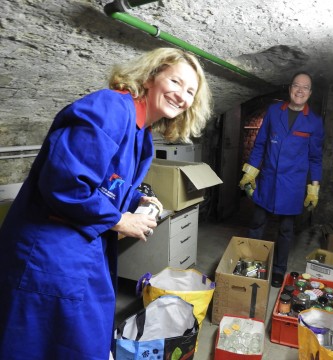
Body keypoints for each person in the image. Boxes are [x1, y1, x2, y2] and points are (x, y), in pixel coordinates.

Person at [0, 48, 212, 359]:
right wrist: (120, 221)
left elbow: (108, 183)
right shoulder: (110, 107)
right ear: (152, 76)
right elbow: (65, 181)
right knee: (43, 345)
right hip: (49, 254)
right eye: (176, 82)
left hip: (80, 248)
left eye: (190, 91)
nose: (182, 96)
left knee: (81, 341)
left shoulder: (141, 134)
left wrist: (137, 198)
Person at [239, 71, 324, 288]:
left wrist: (313, 188)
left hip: (292, 185)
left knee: (286, 230)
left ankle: (278, 270)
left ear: (310, 93)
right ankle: (252, 264)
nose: (300, 90)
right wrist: (250, 172)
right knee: (257, 224)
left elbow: (315, 157)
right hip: (268, 180)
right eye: (296, 85)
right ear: (290, 89)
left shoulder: (314, 122)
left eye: (305, 87)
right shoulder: (274, 111)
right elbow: (260, 144)